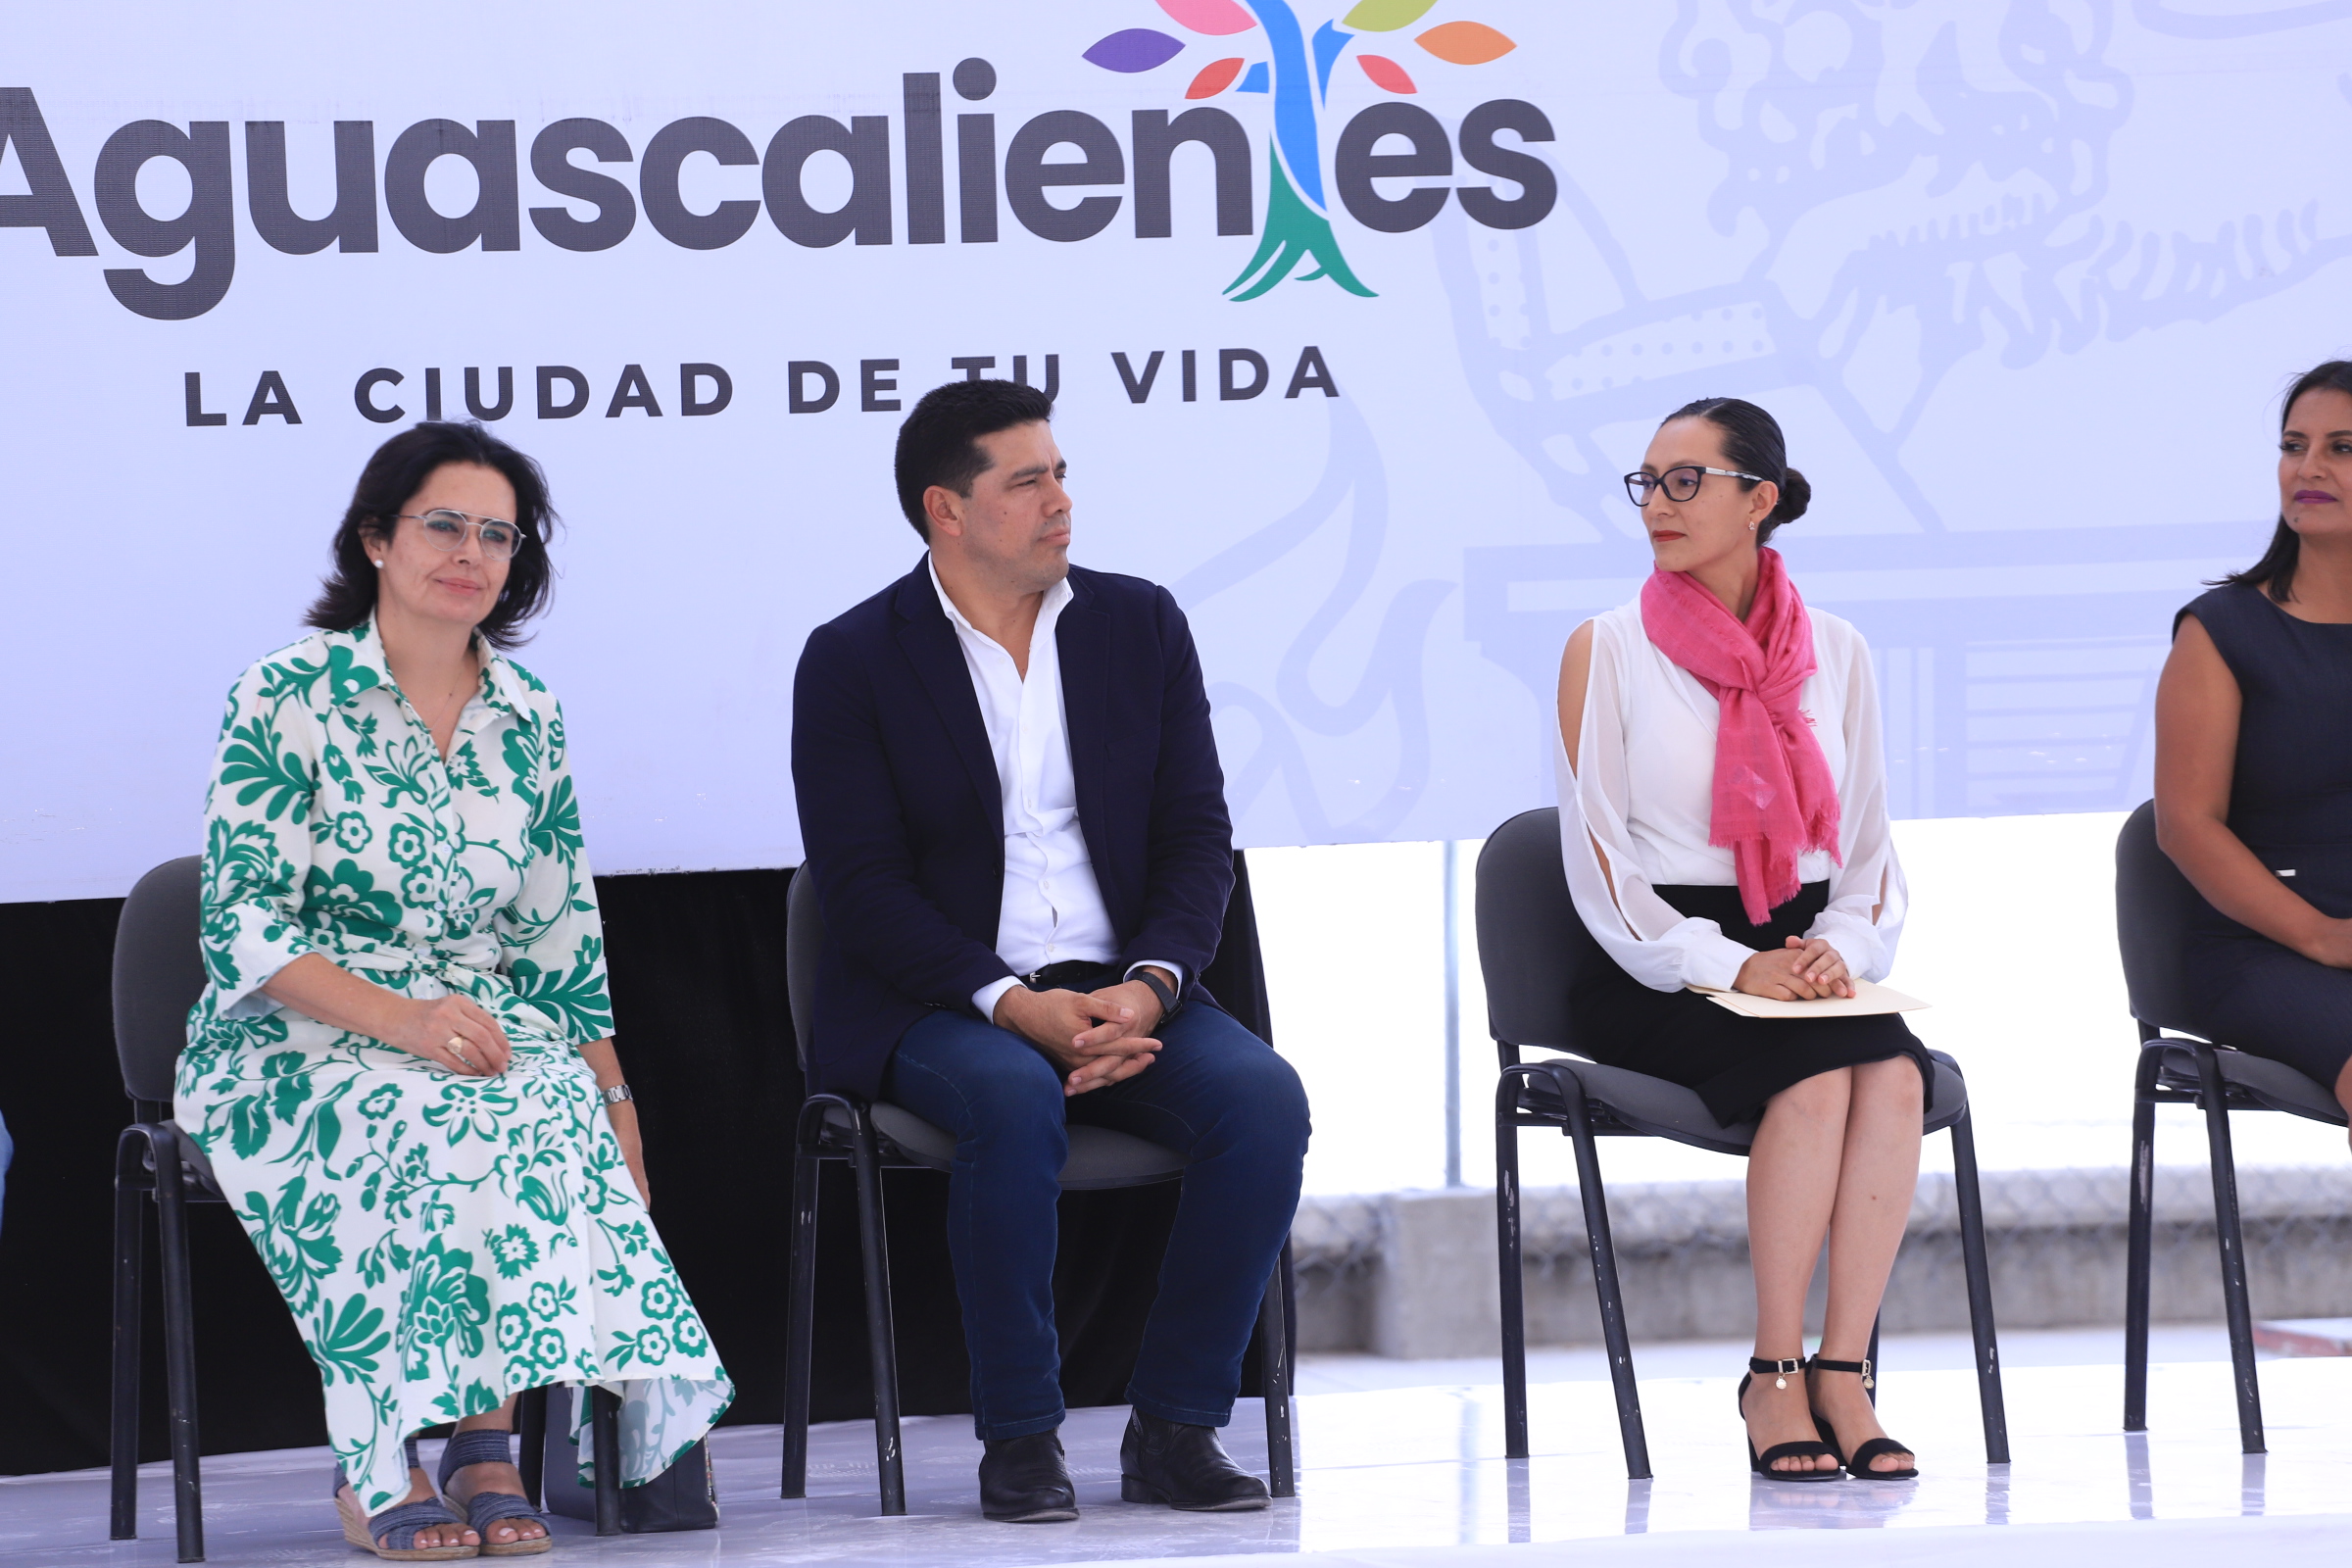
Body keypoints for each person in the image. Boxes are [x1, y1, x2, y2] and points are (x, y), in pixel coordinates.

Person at [178, 422, 732, 1558]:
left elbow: (558, 934)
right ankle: (376, 1457)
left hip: (473, 1021)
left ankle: (484, 1444)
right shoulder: (287, 694)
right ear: (376, 538)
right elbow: (242, 922)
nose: (472, 553)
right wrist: (409, 1022)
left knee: (541, 1101)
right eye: (444, 525)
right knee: (422, 1112)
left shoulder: (530, 713)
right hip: (293, 1032)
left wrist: (614, 1098)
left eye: (498, 535)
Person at [790, 379, 1310, 1523]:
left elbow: (1195, 837)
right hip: (938, 1002)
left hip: (1124, 989)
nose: (1061, 501)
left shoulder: (1140, 624)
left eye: (1061, 474)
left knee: (1263, 1100)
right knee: (1011, 1096)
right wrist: (1011, 1003)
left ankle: (1177, 1425)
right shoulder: (853, 657)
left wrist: (1151, 987)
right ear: (946, 509)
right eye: (1027, 482)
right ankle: (1021, 1437)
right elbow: (863, 889)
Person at [1554, 397, 1925, 1482]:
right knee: (1816, 1079)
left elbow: (1868, 848)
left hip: (1800, 950)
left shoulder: (1838, 650)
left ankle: (1844, 1371)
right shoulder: (1607, 649)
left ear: (1759, 499)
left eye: (1687, 482)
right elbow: (1602, 865)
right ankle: (1773, 1373)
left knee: (1896, 1075)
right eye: (1647, 483)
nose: (1657, 505)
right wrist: (1732, 964)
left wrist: (1842, 947)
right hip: (1657, 961)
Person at [2157, 360, 2352, 1132]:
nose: (2309, 468)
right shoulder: (2223, 630)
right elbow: (2186, 826)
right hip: (2266, 949)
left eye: (2342, 448)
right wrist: (2323, 937)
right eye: (2294, 445)